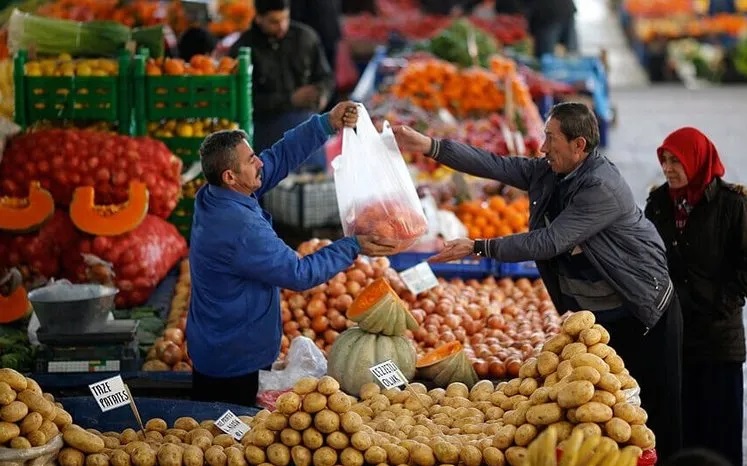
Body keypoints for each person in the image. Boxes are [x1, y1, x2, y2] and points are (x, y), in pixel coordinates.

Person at [392, 102, 683, 460]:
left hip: (643, 312)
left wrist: (478, 246)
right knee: (607, 417)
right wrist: (430, 146)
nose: (543, 148)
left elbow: (549, 241)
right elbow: (495, 165)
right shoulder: (551, 171)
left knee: (652, 416)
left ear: (579, 145)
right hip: (599, 317)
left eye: (551, 138)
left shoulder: (600, 187)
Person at [186, 101, 398, 406]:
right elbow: (300, 274)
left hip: (216, 341)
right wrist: (353, 245)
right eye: (250, 160)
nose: (259, 162)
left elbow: (278, 158)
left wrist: (325, 124)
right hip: (233, 360)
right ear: (230, 176)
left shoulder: (215, 195)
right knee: (228, 437)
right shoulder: (241, 229)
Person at [645, 127, 746, 466]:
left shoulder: (732, 205)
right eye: (665, 160)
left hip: (718, 340)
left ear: (698, 161)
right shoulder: (658, 204)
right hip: (674, 338)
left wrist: (717, 303)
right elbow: (646, 259)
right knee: (678, 433)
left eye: (678, 161)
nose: (669, 168)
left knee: (720, 434)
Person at [228, 0, 335, 161]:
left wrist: (322, 94)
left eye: (285, 19)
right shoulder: (243, 49)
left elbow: (326, 77)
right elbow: (243, 102)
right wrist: (290, 100)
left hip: (308, 130)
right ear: (258, 18)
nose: (281, 26)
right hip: (267, 135)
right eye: (274, 22)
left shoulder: (306, 38)